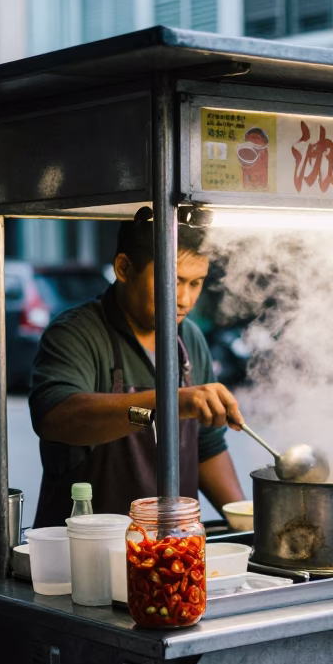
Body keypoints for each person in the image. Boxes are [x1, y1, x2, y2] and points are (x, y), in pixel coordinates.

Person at [28, 208, 246, 526]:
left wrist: (245, 522)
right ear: (124, 268)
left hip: (172, 553)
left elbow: (207, 445)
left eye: (196, 283)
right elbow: (57, 418)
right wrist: (172, 403)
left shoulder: (189, 338)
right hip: (86, 556)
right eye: (173, 281)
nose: (185, 299)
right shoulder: (76, 332)